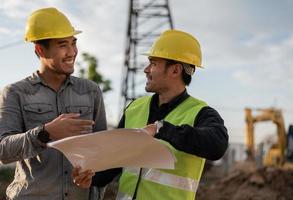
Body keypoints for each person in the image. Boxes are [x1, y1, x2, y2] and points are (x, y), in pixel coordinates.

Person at [0, 7, 107, 200]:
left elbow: (102, 151)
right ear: (40, 50)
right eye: (63, 45)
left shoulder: (91, 91)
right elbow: (3, 150)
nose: (72, 52)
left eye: (73, 43)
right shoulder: (15, 93)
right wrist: (45, 132)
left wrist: (91, 175)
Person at [113, 29, 229, 199]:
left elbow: (217, 145)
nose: (146, 69)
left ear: (175, 70)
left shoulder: (200, 113)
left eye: (153, 63)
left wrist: (161, 129)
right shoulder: (135, 108)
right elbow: (114, 159)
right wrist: (91, 176)